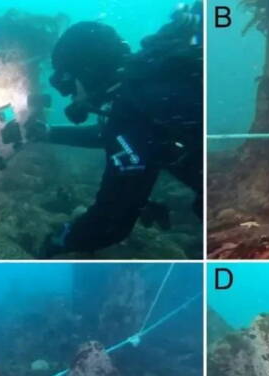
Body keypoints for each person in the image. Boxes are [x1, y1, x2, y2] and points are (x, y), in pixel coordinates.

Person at [30, 3, 203, 256]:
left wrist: (59, 239)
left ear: (88, 72)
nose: (69, 95)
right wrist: (50, 133)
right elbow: (113, 136)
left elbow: (111, 223)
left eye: (68, 82)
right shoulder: (145, 86)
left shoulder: (133, 108)